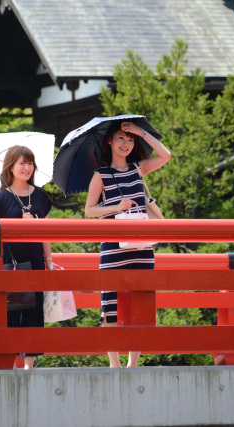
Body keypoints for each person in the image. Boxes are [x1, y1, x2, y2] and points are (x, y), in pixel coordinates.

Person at [84, 121, 171, 368]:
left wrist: (142, 132)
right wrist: (116, 206)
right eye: (120, 138)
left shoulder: (138, 169)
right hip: (112, 246)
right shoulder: (100, 174)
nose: (126, 143)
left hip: (142, 247)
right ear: (109, 142)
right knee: (109, 302)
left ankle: (133, 364)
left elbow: (166, 155)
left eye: (130, 139)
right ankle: (115, 363)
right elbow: (89, 211)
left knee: (140, 305)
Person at [0, 145, 54, 370]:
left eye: (30, 163)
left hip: (35, 260)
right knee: (11, 310)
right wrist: (18, 225)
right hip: (10, 262)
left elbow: (46, 233)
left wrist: (49, 260)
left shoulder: (41, 196)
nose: (27, 168)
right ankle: (11, 364)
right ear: (11, 167)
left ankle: (29, 365)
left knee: (34, 311)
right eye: (22, 163)